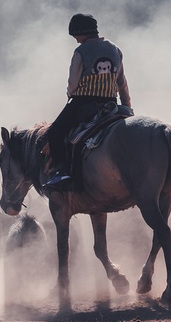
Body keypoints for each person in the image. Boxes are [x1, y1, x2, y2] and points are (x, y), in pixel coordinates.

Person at [44, 13, 132, 191]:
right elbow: (121, 82)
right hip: (111, 104)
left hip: (83, 104)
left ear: (82, 33)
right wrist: (127, 107)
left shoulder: (80, 52)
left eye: (76, 36)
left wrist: (70, 93)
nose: (76, 40)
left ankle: (62, 171)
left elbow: (73, 83)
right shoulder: (115, 49)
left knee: (55, 132)